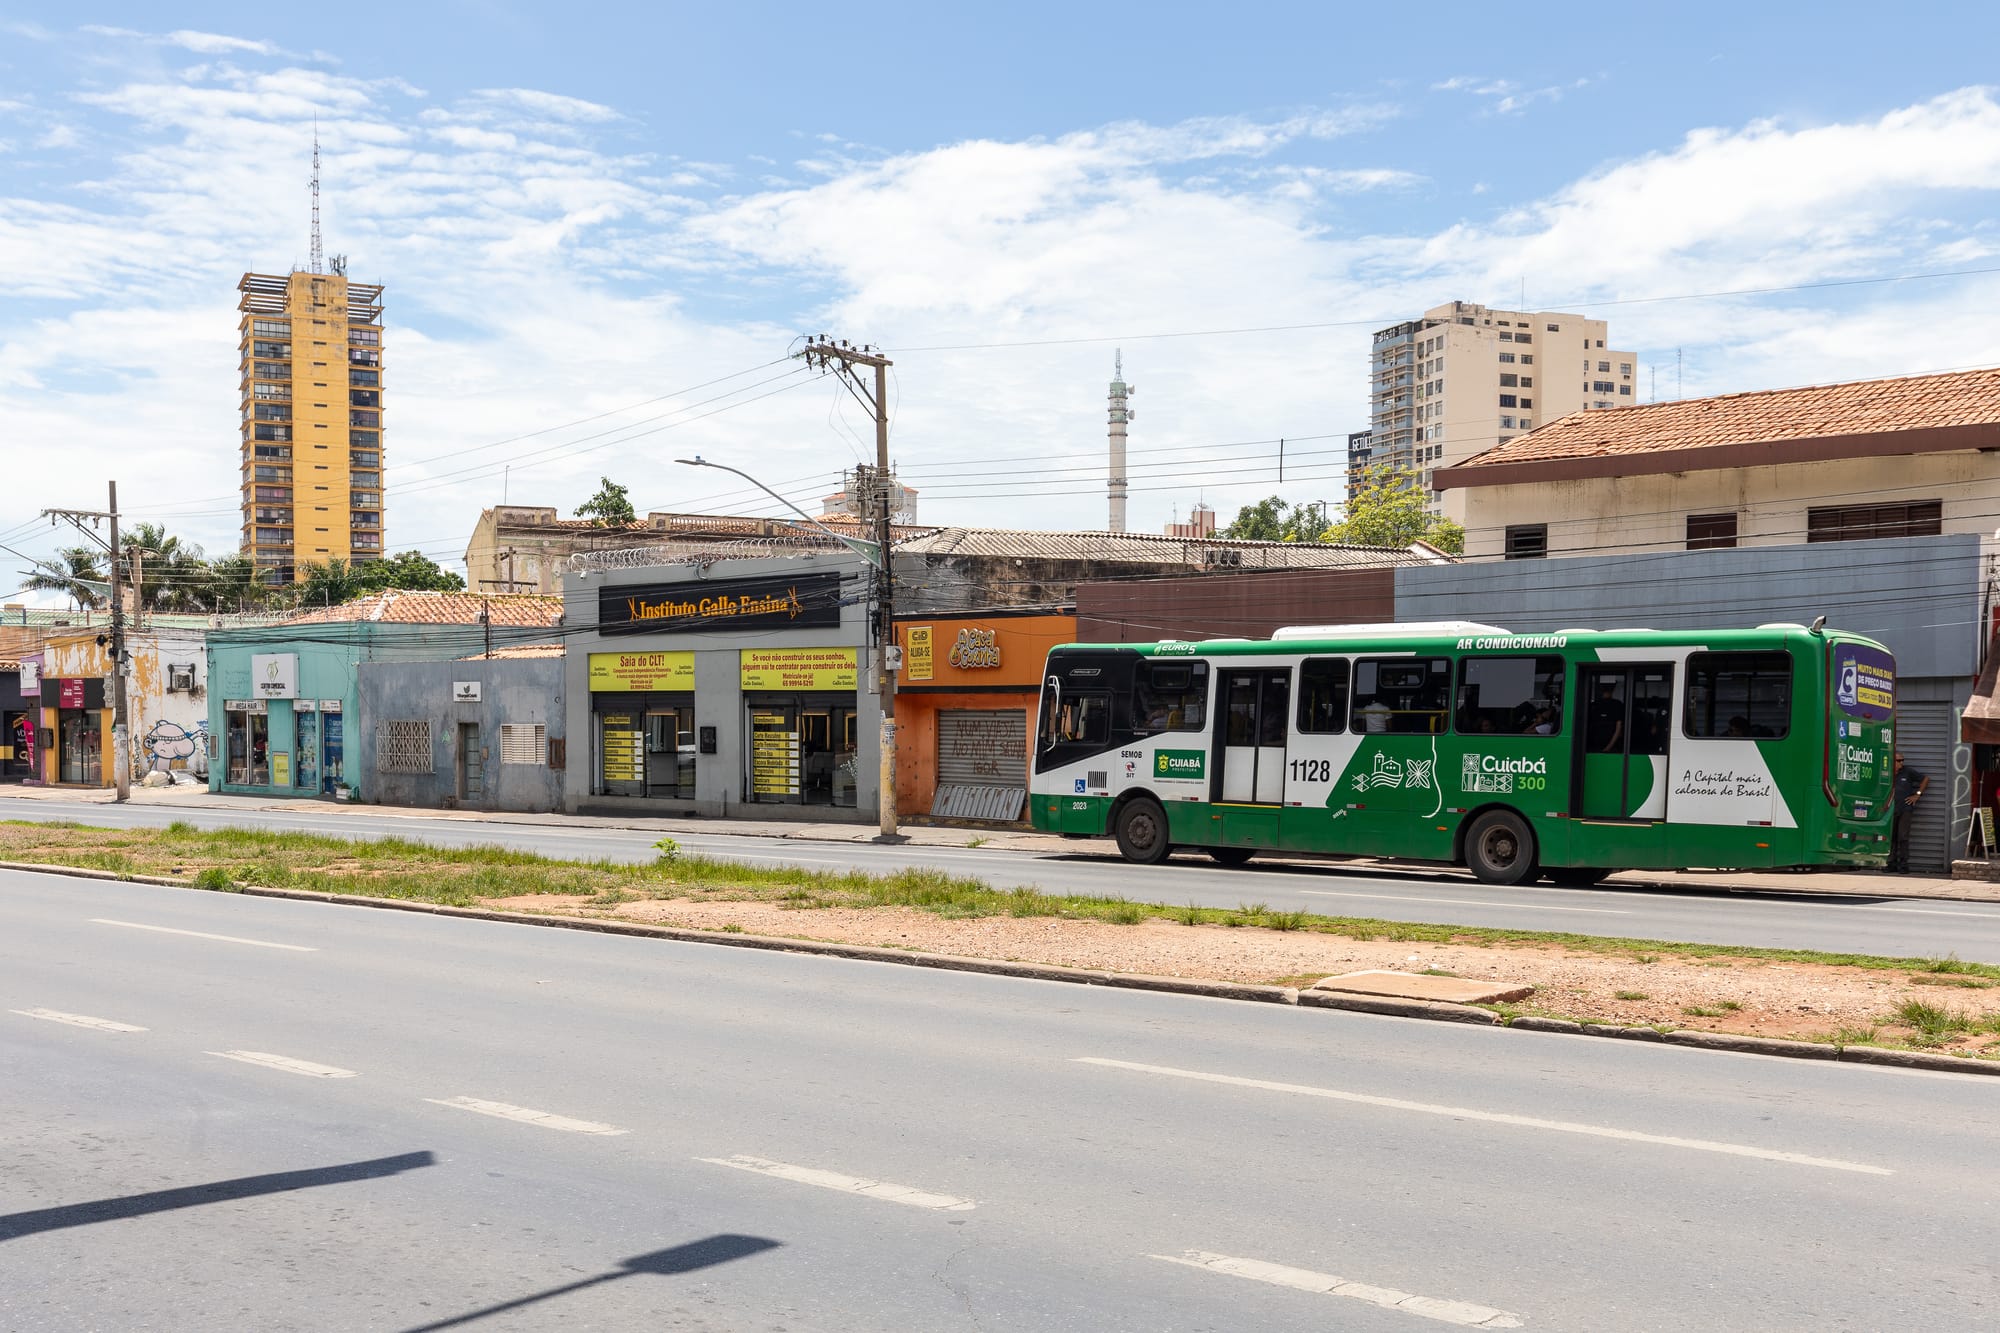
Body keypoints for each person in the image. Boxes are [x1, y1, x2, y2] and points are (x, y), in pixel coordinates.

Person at [1888, 752, 1929, 873]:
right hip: (1889, 809)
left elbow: (1925, 779)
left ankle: (1903, 864)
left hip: (1905, 809)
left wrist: (1917, 795)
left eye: (1902, 760)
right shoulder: (1886, 772)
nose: (1901, 763)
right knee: (1891, 837)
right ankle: (1891, 863)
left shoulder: (1908, 772)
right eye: (1898, 760)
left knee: (1902, 836)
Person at [1586, 681, 1624, 752]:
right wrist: (1608, 748)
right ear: (1613, 689)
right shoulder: (1618, 705)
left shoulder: (1593, 705)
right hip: (1611, 747)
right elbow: (1618, 729)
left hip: (1594, 746)